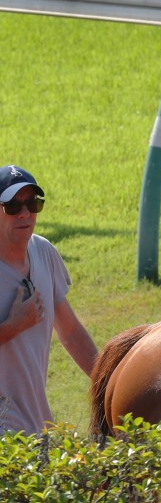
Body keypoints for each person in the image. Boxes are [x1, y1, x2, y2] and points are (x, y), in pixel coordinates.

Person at [0, 165, 98, 435]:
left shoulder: (43, 252)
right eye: (12, 206)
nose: (25, 213)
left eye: (33, 203)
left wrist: (107, 381)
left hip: (38, 423)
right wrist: (13, 326)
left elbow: (71, 331)